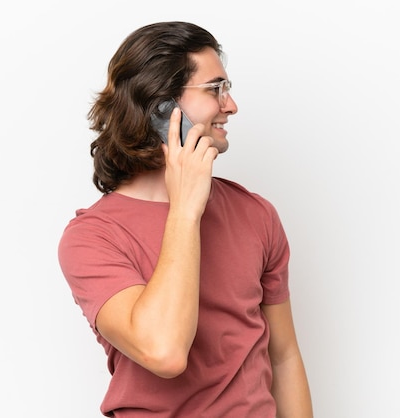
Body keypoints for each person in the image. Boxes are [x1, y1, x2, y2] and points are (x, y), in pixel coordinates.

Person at [58, 21, 313, 417]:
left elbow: (283, 356)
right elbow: (164, 351)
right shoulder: (92, 238)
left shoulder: (256, 214)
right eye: (215, 90)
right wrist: (185, 209)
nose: (231, 106)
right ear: (162, 106)